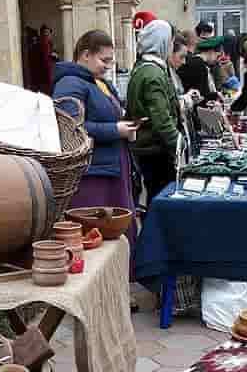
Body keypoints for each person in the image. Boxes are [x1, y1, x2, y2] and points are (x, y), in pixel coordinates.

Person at [53, 30, 139, 246]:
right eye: (104, 60)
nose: (108, 66)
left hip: (111, 165)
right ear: (85, 55)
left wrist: (126, 127)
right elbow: (69, 128)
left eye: (110, 60)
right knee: (97, 232)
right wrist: (115, 130)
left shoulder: (98, 82)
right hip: (93, 173)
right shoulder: (69, 83)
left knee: (115, 230)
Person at [126, 20, 183, 200]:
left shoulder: (145, 68)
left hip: (148, 146)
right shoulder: (152, 73)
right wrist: (180, 146)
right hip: (154, 149)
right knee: (159, 198)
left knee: (154, 196)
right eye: (171, 41)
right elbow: (161, 119)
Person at [178, 35, 223, 103]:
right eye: (217, 56)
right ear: (211, 51)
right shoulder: (200, 65)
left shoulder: (193, 61)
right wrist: (216, 95)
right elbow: (202, 95)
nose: (217, 60)